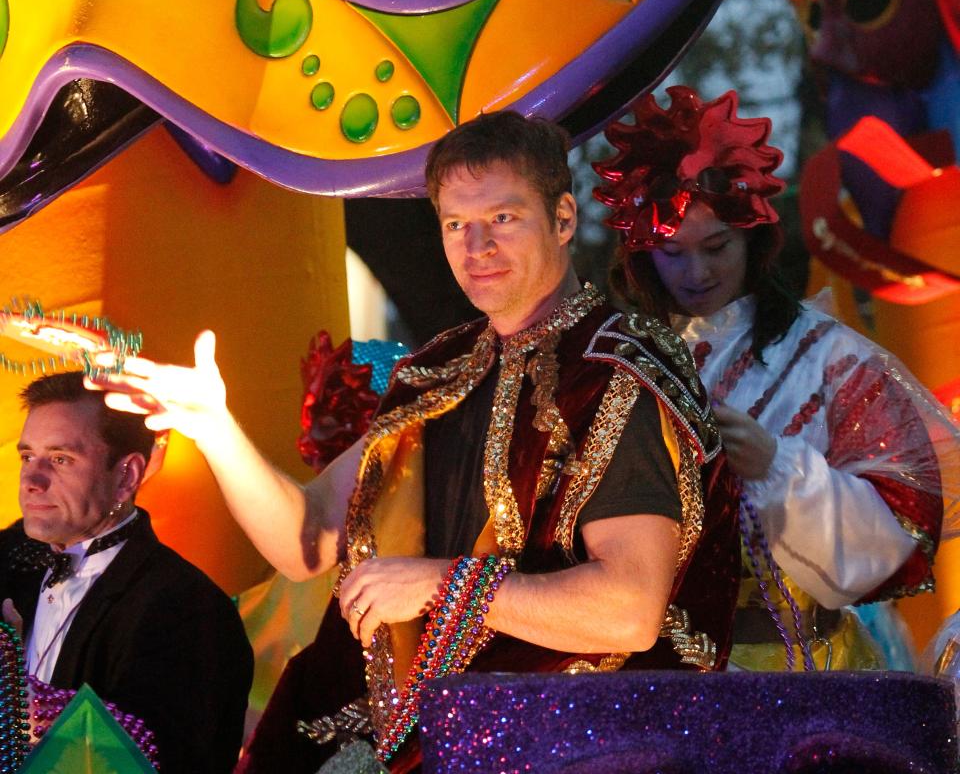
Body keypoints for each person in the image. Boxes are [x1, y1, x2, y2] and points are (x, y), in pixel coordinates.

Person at [89, 110, 740, 772]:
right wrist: (213, 425)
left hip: (567, 741)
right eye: (456, 224)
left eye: (504, 218)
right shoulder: (442, 372)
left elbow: (628, 610)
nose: (476, 245)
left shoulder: (616, 369)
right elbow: (306, 541)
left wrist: (439, 587)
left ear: (563, 220)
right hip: (409, 730)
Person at [594, 85, 957, 671]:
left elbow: (895, 534)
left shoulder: (826, 356)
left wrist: (777, 466)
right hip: (654, 673)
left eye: (716, 246)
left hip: (802, 671)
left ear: (753, 238)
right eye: (673, 253)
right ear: (640, 254)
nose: (697, 272)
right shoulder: (617, 363)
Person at [0, 371, 254, 772]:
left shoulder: (190, 608)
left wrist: (18, 698)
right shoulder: (9, 558)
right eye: (27, 456)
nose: (31, 479)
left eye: (61, 459)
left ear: (126, 475)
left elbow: (159, 758)